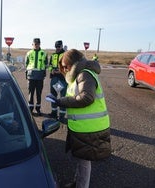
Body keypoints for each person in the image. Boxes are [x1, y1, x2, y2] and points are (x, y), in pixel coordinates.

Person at [46, 49, 111, 188]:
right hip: (84, 126)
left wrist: (61, 101)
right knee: (82, 159)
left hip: (91, 127)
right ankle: (78, 183)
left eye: (66, 65)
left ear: (73, 63)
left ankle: (81, 186)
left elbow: (87, 98)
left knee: (84, 161)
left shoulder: (84, 75)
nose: (64, 69)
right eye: (62, 66)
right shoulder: (78, 75)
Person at [25, 38, 48, 116]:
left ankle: (38, 108)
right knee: (31, 93)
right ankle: (30, 109)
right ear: (32, 44)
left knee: (39, 93)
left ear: (40, 44)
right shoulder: (29, 53)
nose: (36, 45)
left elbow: (46, 64)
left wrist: (44, 72)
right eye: (35, 44)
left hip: (39, 77)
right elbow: (26, 64)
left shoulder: (44, 53)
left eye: (38, 44)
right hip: (31, 76)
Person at [48, 40, 67, 122]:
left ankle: (62, 116)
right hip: (54, 78)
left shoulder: (66, 55)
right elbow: (50, 65)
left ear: (62, 46)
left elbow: (69, 67)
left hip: (62, 79)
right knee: (53, 96)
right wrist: (51, 70)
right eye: (56, 47)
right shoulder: (53, 55)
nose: (57, 48)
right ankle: (54, 113)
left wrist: (61, 71)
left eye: (59, 46)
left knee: (62, 98)